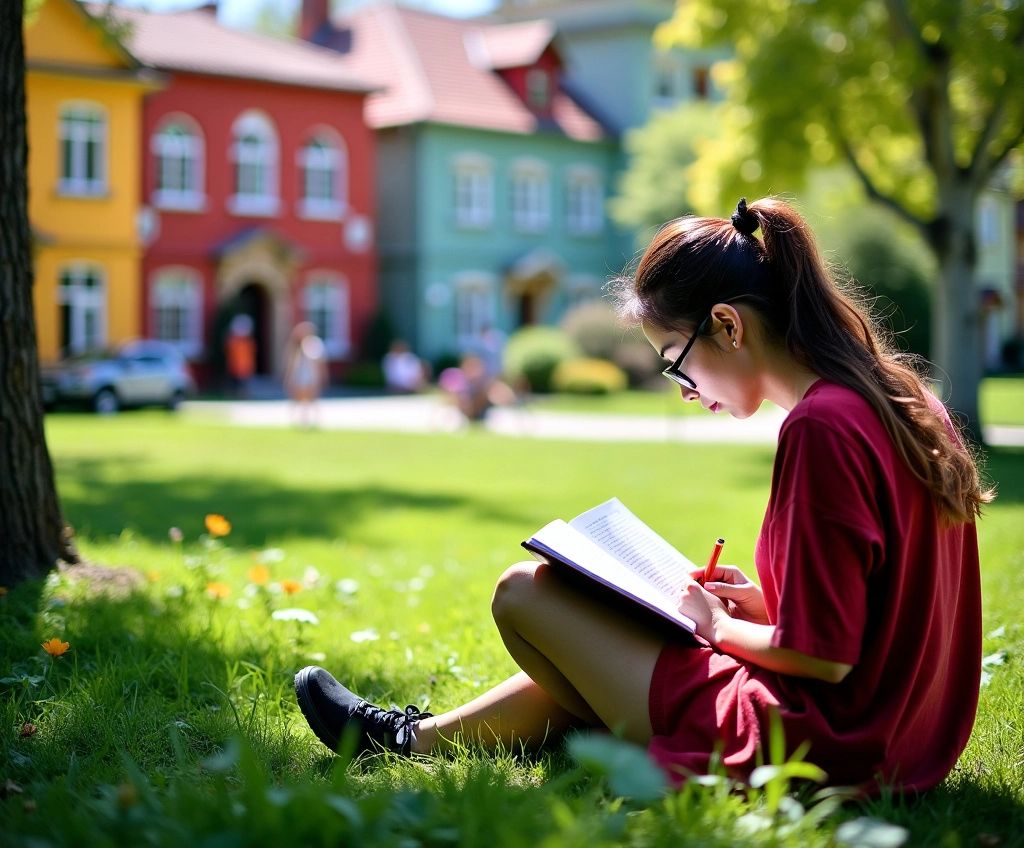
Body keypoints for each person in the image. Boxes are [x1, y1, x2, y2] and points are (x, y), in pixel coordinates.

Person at [293, 196, 988, 795]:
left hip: (822, 744)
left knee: (524, 593)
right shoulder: (900, 398)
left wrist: (716, 626)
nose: (687, 393)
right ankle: (411, 741)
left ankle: (426, 739)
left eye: (676, 363)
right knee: (609, 625)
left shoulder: (821, 426)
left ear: (727, 325)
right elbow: (882, 613)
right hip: (903, 733)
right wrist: (762, 603)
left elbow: (823, 657)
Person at [283, 321, 328, 428]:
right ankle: (300, 420)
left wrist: (322, 377)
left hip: (310, 376)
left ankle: (313, 420)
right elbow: (291, 364)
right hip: (299, 376)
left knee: (311, 399)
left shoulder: (314, 344)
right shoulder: (295, 346)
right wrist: (288, 378)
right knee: (298, 399)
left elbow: (319, 362)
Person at [224, 315, 255, 397]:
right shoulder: (234, 342)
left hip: (245, 367)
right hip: (236, 367)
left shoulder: (247, 342)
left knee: (243, 383)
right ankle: (236, 395)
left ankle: (243, 395)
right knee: (235, 384)